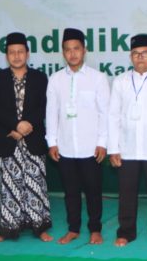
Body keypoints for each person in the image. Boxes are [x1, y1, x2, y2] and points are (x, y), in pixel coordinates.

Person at [46, 28, 110, 245]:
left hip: (91, 147)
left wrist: (102, 143)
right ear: (63, 52)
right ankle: (73, 229)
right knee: (70, 192)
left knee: (93, 191)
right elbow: (51, 113)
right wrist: (52, 142)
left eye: (76, 49)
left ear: (85, 50)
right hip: (65, 147)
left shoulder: (98, 78)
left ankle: (95, 229)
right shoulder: (55, 80)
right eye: (68, 50)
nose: (72, 54)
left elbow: (105, 113)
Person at [108, 34, 147, 247]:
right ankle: (126, 232)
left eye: (145, 53)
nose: (140, 57)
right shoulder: (120, 82)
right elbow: (113, 116)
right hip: (127, 147)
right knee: (126, 193)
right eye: (136, 54)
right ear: (130, 57)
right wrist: (113, 148)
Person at [0, 32, 52, 242]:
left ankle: (40, 227)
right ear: (6, 55)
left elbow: (44, 107)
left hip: (33, 139)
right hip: (8, 138)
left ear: (27, 54)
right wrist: (16, 126)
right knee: (9, 186)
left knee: (35, 185)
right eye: (12, 52)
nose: (16, 56)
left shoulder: (40, 78)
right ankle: (7, 229)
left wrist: (25, 127)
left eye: (20, 52)